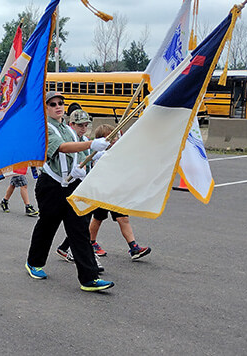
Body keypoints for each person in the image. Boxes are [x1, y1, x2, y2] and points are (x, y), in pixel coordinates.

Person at [25, 91, 115, 293]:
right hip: (51, 185)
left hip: (72, 184)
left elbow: (82, 153)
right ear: (45, 108)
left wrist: (89, 160)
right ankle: (34, 262)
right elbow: (63, 148)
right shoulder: (43, 129)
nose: (58, 106)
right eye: (52, 104)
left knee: (80, 229)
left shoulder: (69, 129)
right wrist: (91, 143)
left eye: (60, 103)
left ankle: (89, 278)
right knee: (47, 226)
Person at [85, 124, 152, 261]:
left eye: (115, 136)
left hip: (115, 193)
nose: (114, 139)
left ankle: (134, 247)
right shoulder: (99, 154)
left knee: (123, 218)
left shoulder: (116, 151)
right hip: (102, 193)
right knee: (98, 219)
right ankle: (91, 242)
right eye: (111, 137)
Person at [54, 110, 102, 272]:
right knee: (79, 224)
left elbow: (89, 162)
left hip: (84, 186)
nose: (83, 128)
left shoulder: (87, 141)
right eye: (80, 125)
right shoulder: (67, 140)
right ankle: (88, 259)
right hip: (67, 187)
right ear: (71, 125)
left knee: (82, 223)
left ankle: (65, 248)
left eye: (86, 125)